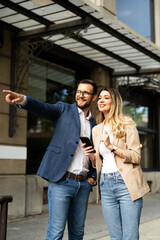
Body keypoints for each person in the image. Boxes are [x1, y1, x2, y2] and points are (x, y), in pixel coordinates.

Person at [3, 79, 97, 240]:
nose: (81, 95)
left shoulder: (94, 123)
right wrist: (24, 100)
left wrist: (92, 179)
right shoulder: (63, 109)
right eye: (79, 91)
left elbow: (96, 153)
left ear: (93, 97)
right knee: (56, 232)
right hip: (62, 181)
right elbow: (44, 108)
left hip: (83, 185)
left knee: (78, 233)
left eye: (86, 93)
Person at [82, 88, 150, 240]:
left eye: (106, 97)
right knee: (115, 236)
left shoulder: (127, 124)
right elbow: (99, 162)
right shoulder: (96, 129)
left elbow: (136, 156)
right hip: (105, 184)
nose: (101, 100)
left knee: (130, 236)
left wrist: (112, 147)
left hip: (126, 183)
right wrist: (91, 156)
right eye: (100, 97)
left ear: (114, 102)